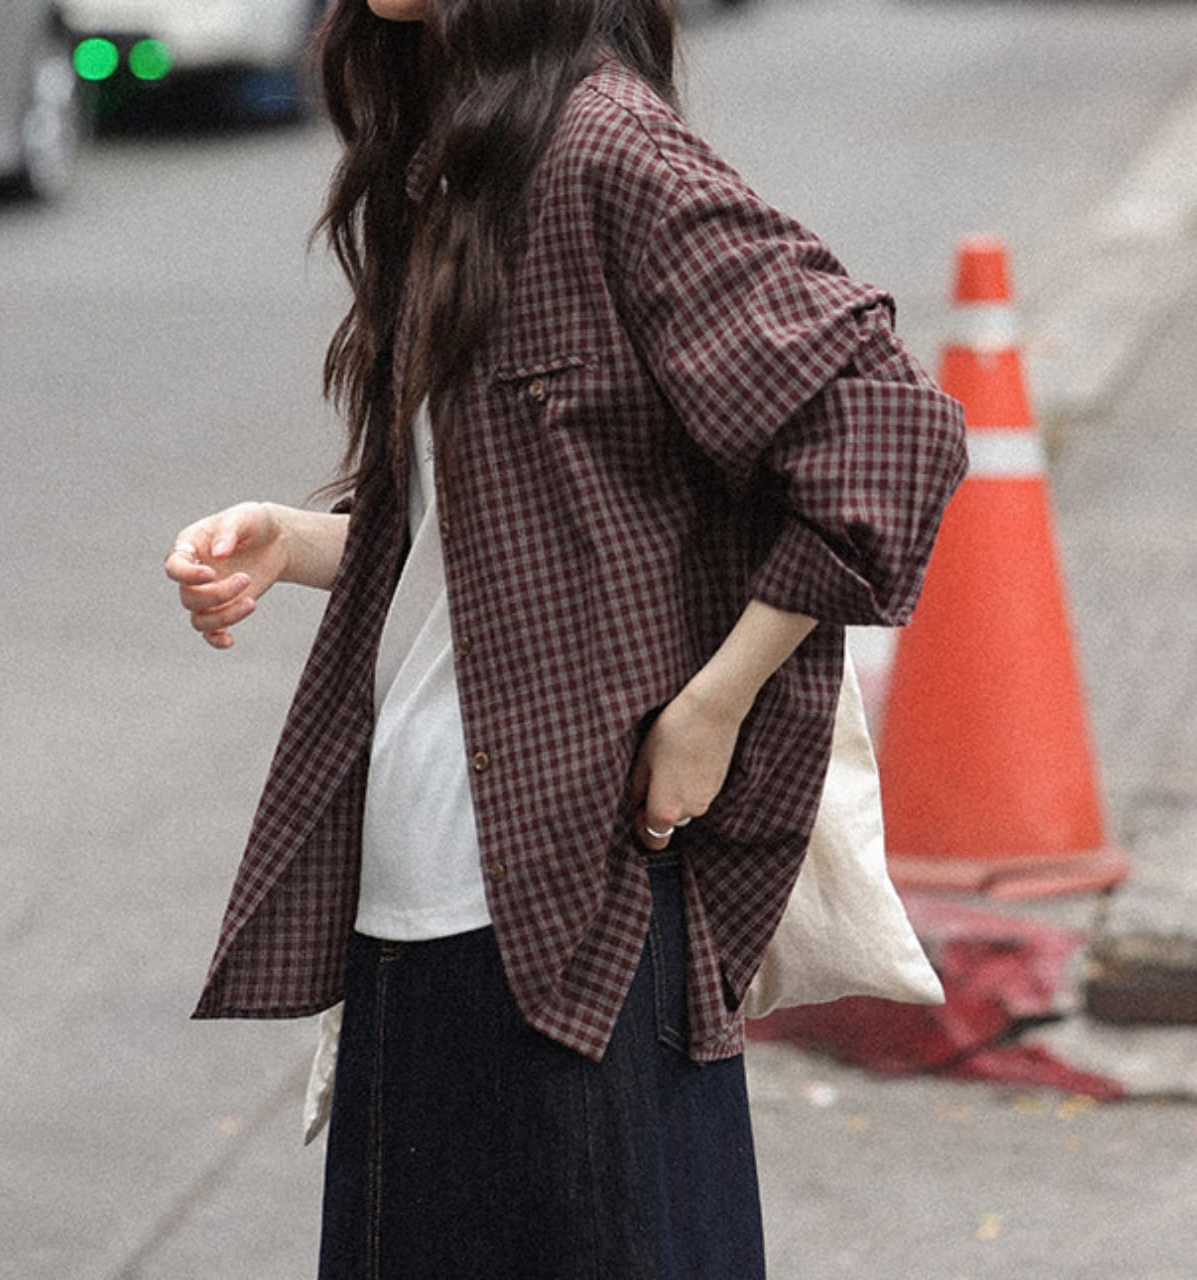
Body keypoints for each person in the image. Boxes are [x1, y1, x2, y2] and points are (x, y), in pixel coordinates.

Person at [165, 1, 967, 1275]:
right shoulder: (459, 151)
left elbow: (886, 426)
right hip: (418, 887)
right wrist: (294, 538)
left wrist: (712, 706)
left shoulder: (605, 149)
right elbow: (505, 524)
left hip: (572, 897)